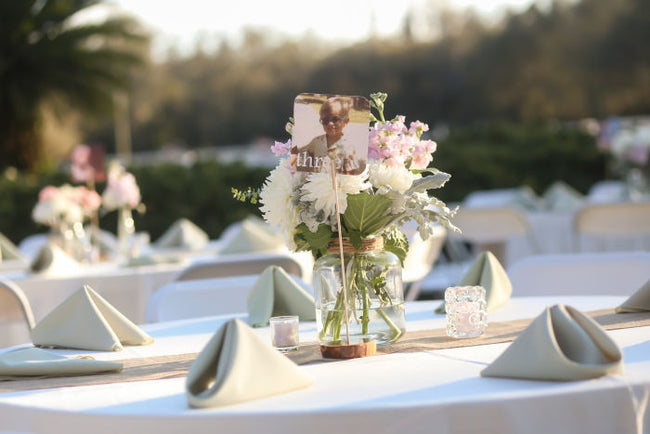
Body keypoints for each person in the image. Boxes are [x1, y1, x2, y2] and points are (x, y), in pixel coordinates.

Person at [293, 96, 361, 174]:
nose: (330, 124)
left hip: (337, 184)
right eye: (325, 120)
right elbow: (300, 155)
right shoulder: (316, 142)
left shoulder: (348, 146)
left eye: (335, 119)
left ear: (346, 121)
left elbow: (350, 174)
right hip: (317, 183)